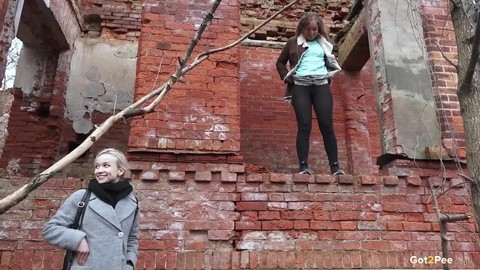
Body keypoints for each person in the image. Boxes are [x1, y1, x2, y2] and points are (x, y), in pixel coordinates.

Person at [43, 148, 139, 270]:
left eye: (106, 166)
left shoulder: (132, 202)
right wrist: (78, 239)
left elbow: (132, 238)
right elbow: (50, 230)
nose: (99, 170)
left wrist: (129, 263)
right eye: (97, 166)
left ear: (120, 171)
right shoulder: (81, 197)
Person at [276, 12, 345, 175]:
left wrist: (329, 74)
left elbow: (330, 62)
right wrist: (287, 78)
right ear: (302, 29)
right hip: (301, 86)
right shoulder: (293, 43)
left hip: (321, 85)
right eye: (309, 30)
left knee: (326, 125)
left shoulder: (324, 43)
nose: (312, 33)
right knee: (304, 125)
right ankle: (303, 166)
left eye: (315, 29)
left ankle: (335, 167)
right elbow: (280, 62)